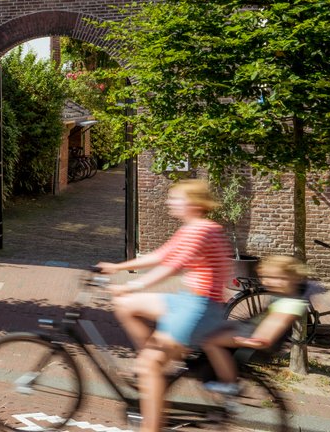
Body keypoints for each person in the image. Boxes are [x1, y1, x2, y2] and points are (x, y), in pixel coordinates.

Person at [97, 178, 232, 432]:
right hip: (187, 300)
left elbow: (173, 266)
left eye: (176, 197)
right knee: (125, 305)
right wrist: (118, 267)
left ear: (193, 203)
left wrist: (132, 285)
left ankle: (152, 418)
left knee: (150, 365)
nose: (170, 201)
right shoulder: (190, 228)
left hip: (200, 307)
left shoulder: (202, 230)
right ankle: (152, 364)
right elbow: (160, 255)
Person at [200, 254, 313, 394]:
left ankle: (229, 383)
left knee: (210, 342)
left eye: (279, 278)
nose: (271, 282)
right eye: (267, 277)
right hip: (250, 328)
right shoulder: (287, 296)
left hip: (253, 336)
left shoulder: (289, 304)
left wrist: (250, 341)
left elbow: (273, 328)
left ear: (294, 278)